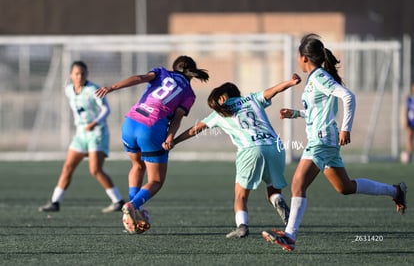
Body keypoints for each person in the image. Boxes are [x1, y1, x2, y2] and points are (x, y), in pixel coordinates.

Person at [261, 33, 407, 252]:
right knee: (345, 187)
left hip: (321, 140)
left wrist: (346, 128)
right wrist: (296, 114)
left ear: (304, 58)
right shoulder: (314, 79)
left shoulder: (319, 77)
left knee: (298, 183)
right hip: (324, 140)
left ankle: (290, 236)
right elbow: (317, 111)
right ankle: (395, 191)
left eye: (298, 56)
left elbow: (348, 97)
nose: (297, 60)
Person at [169, 74, 301, 238]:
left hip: (250, 149)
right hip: (276, 147)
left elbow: (195, 130)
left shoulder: (219, 113)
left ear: (223, 97)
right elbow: (273, 90)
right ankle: (277, 200)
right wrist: (291, 82)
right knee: (273, 189)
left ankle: (242, 226)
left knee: (241, 195)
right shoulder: (251, 99)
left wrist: (175, 140)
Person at [95, 55, 209, 234]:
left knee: (137, 165)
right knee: (155, 180)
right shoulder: (189, 94)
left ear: (173, 67)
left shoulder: (161, 72)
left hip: (130, 123)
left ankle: (133, 211)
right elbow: (177, 118)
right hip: (151, 129)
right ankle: (133, 205)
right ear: (192, 74)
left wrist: (112, 87)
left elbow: (139, 78)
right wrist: (170, 137)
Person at [39, 61, 125, 213]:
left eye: (83, 73)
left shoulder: (93, 89)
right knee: (67, 167)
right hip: (80, 133)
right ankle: (55, 202)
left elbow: (106, 109)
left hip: (97, 132)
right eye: (77, 73)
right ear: (71, 75)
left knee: (95, 170)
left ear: (87, 74)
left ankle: (118, 201)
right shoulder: (69, 90)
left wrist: (95, 122)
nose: (80, 76)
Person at [401, 84, 414, 163]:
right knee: (410, 137)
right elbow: (405, 110)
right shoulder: (409, 99)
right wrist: (405, 120)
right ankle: (409, 154)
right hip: (411, 121)